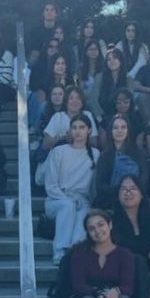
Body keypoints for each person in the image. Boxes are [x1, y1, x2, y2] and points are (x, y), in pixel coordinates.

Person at [37, 113, 99, 266]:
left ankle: (75, 253)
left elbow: (93, 187)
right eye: (74, 127)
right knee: (68, 207)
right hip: (57, 199)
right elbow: (51, 185)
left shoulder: (96, 155)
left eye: (82, 127)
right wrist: (67, 199)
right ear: (70, 130)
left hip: (82, 200)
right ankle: (59, 251)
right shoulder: (58, 152)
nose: (78, 131)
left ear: (89, 130)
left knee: (83, 214)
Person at [110, 175, 150, 298]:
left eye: (133, 188)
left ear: (141, 193)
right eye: (123, 189)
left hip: (147, 268)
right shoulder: (112, 219)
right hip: (119, 268)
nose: (128, 192)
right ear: (118, 194)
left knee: (140, 263)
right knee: (137, 260)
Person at [93, 114, 148, 208]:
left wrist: (130, 191)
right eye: (115, 128)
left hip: (135, 200)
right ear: (110, 131)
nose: (119, 131)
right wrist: (120, 190)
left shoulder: (139, 154)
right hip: (111, 201)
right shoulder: (104, 156)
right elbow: (100, 185)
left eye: (123, 127)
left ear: (128, 130)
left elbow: (144, 179)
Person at [42, 85, 99, 151]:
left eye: (78, 98)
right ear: (66, 101)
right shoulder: (58, 117)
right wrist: (64, 138)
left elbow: (95, 142)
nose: (75, 101)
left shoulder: (87, 115)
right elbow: (45, 145)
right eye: (71, 98)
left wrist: (77, 137)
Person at [90, 47, 134, 122]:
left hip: (122, 118)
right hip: (102, 117)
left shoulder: (128, 79)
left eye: (115, 58)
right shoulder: (99, 77)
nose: (112, 61)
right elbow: (93, 100)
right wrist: (100, 118)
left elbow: (129, 100)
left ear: (121, 60)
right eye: (109, 59)